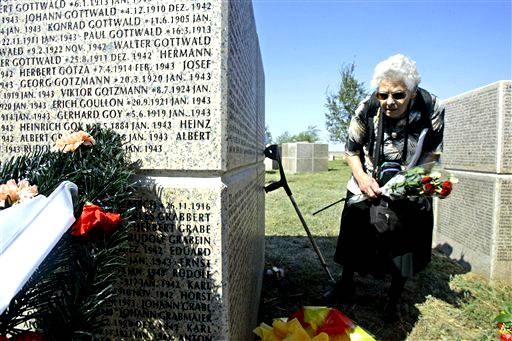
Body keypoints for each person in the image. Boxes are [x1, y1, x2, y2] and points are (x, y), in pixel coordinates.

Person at [331, 54, 445, 320]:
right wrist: (362, 179)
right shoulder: (366, 106)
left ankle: (394, 296)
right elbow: (351, 151)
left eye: (398, 95)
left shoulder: (432, 107)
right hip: (369, 174)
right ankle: (346, 283)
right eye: (383, 95)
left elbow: (433, 152)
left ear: (413, 93)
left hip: (410, 177)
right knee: (354, 227)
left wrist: (410, 181)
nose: (389, 102)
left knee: (405, 236)